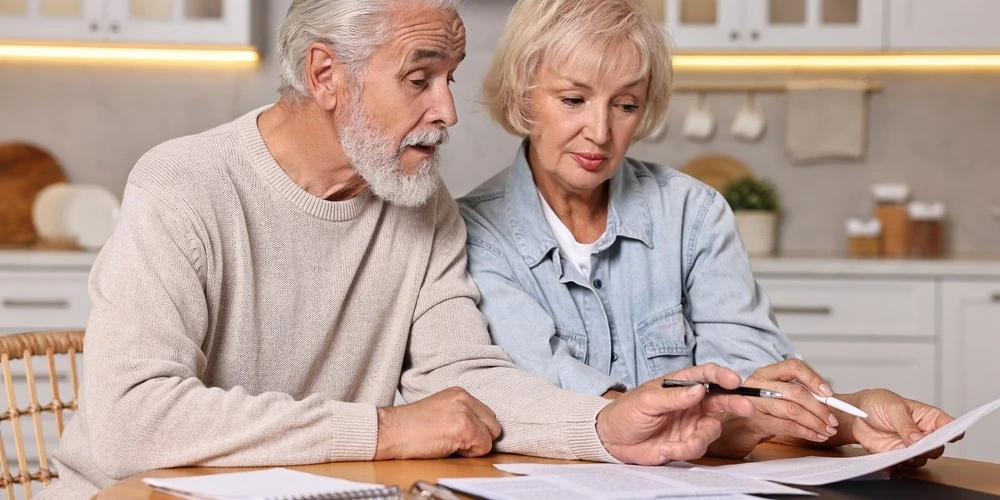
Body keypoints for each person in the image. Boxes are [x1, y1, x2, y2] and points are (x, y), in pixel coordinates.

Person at [38, 1, 761, 498]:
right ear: (326, 76)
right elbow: (135, 419)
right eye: (420, 79)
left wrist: (601, 427)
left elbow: (466, 377)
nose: (447, 109)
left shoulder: (424, 204)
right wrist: (380, 429)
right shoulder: (184, 184)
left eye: (448, 77)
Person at [457, 0, 955, 463]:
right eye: (573, 99)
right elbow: (539, 387)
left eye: (625, 105)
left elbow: (754, 394)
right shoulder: (474, 233)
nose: (601, 132)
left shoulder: (693, 212)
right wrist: (712, 413)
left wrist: (853, 414)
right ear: (524, 95)